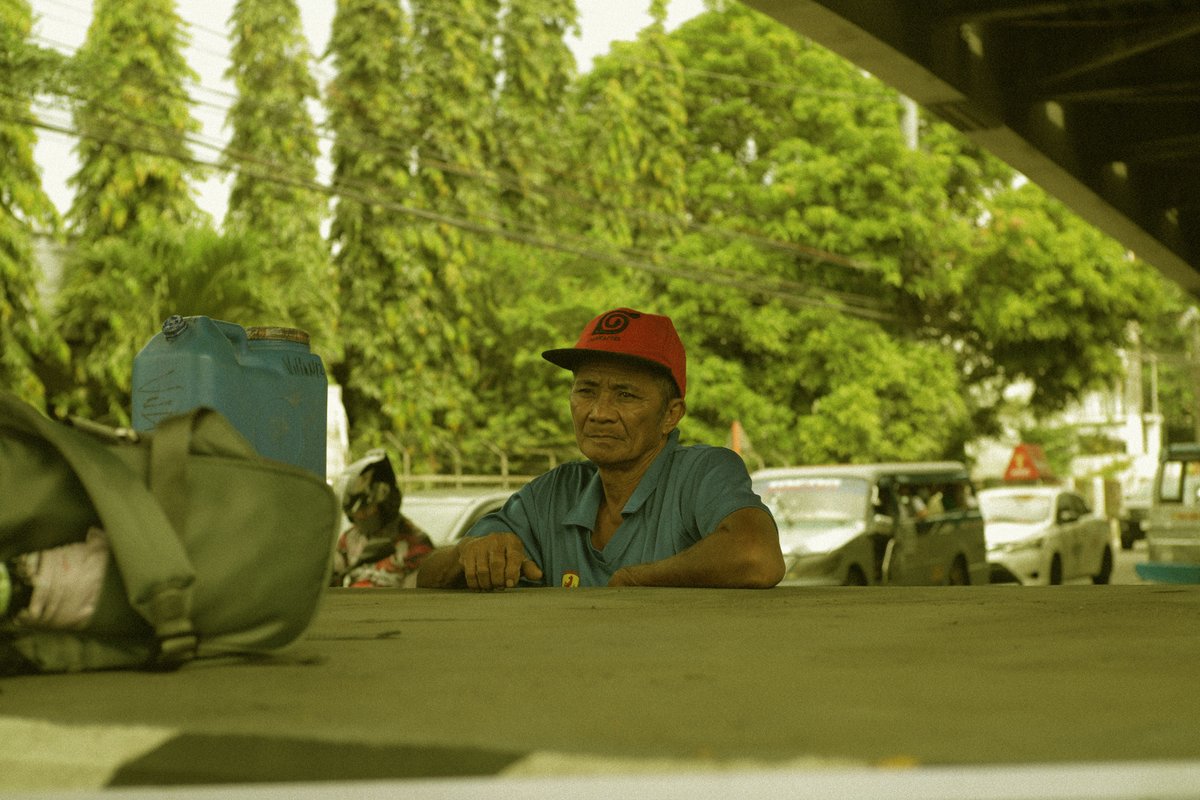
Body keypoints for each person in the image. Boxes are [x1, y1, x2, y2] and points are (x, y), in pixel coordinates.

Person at [417, 307, 784, 591]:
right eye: (586, 391)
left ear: (671, 415)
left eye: (625, 395)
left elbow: (757, 555)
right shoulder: (554, 493)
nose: (599, 413)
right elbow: (427, 575)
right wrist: (468, 555)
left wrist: (634, 583)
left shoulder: (702, 472)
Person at [332, 450, 433, 588]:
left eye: (367, 509)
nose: (360, 516)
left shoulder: (415, 545)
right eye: (356, 512)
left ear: (386, 505)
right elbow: (331, 576)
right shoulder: (350, 539)